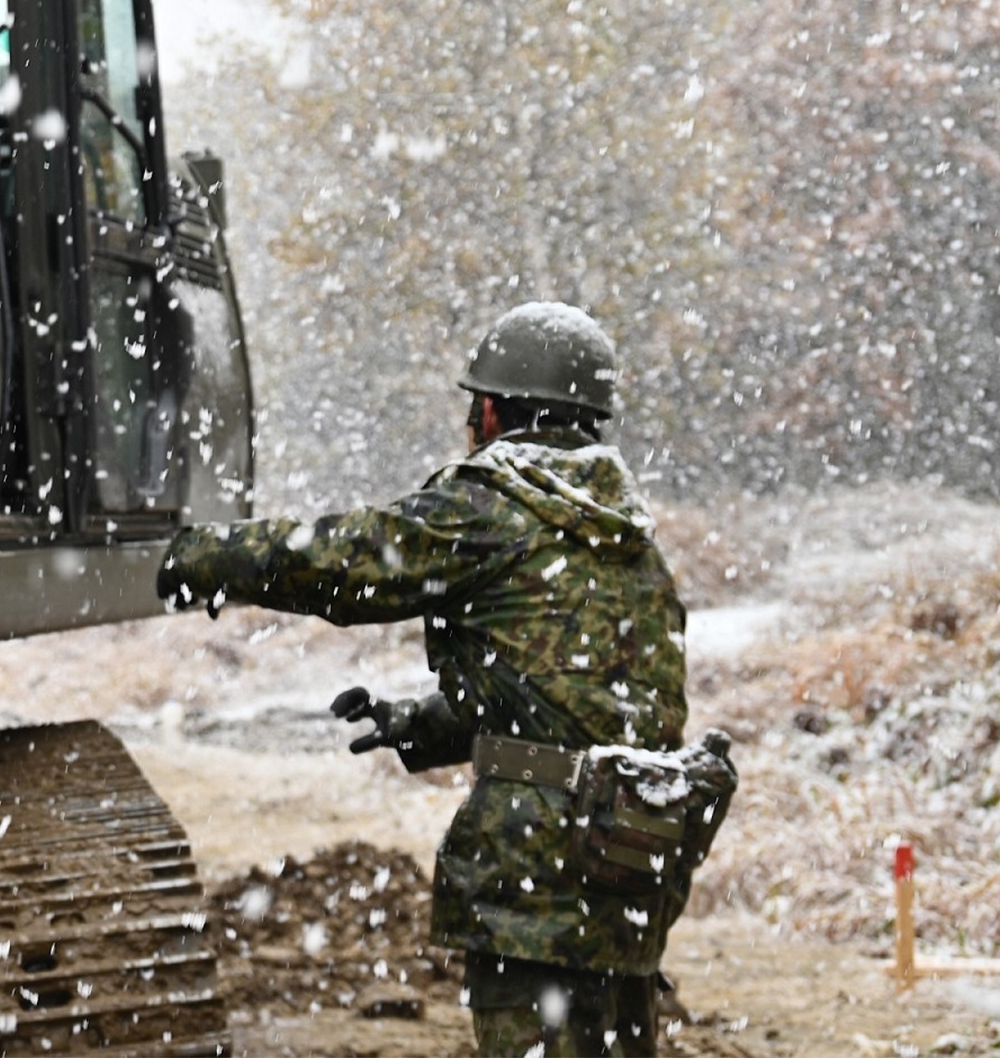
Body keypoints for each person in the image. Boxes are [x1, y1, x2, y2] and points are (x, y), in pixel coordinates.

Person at [158, 303, 733, 1057]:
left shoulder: (497, 506)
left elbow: (355, 561)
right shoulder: (625, 536)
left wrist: (202, 557)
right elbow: (577, 701)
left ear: (490, 412)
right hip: (628, 855)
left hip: (541, 871)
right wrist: (419, 724)